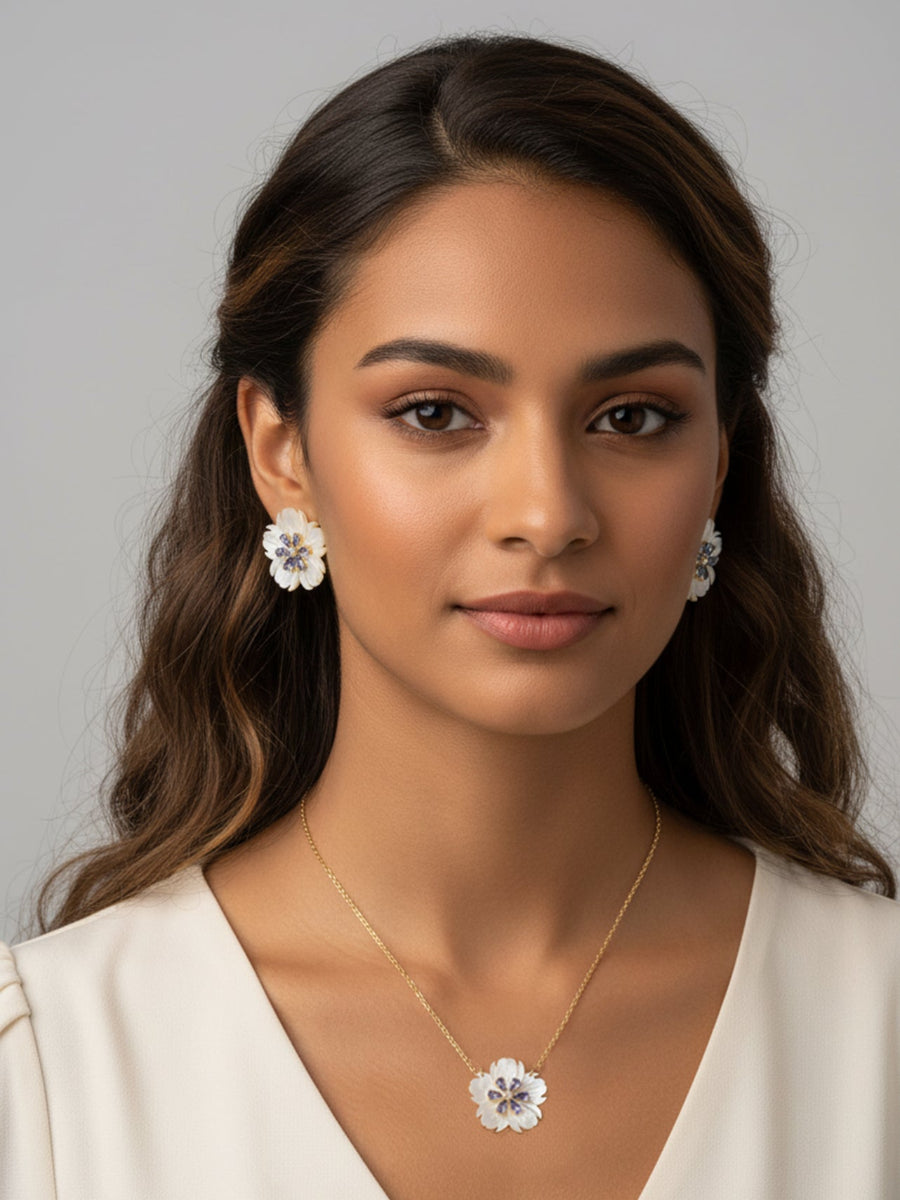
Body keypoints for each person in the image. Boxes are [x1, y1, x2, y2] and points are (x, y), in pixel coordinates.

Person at [1, 29, 898, 1200]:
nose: (547, 513)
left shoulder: (876, 1026)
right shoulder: (50, 1077)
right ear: (283, 455)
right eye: (436, 413)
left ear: (720, 462)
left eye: (631, 418)